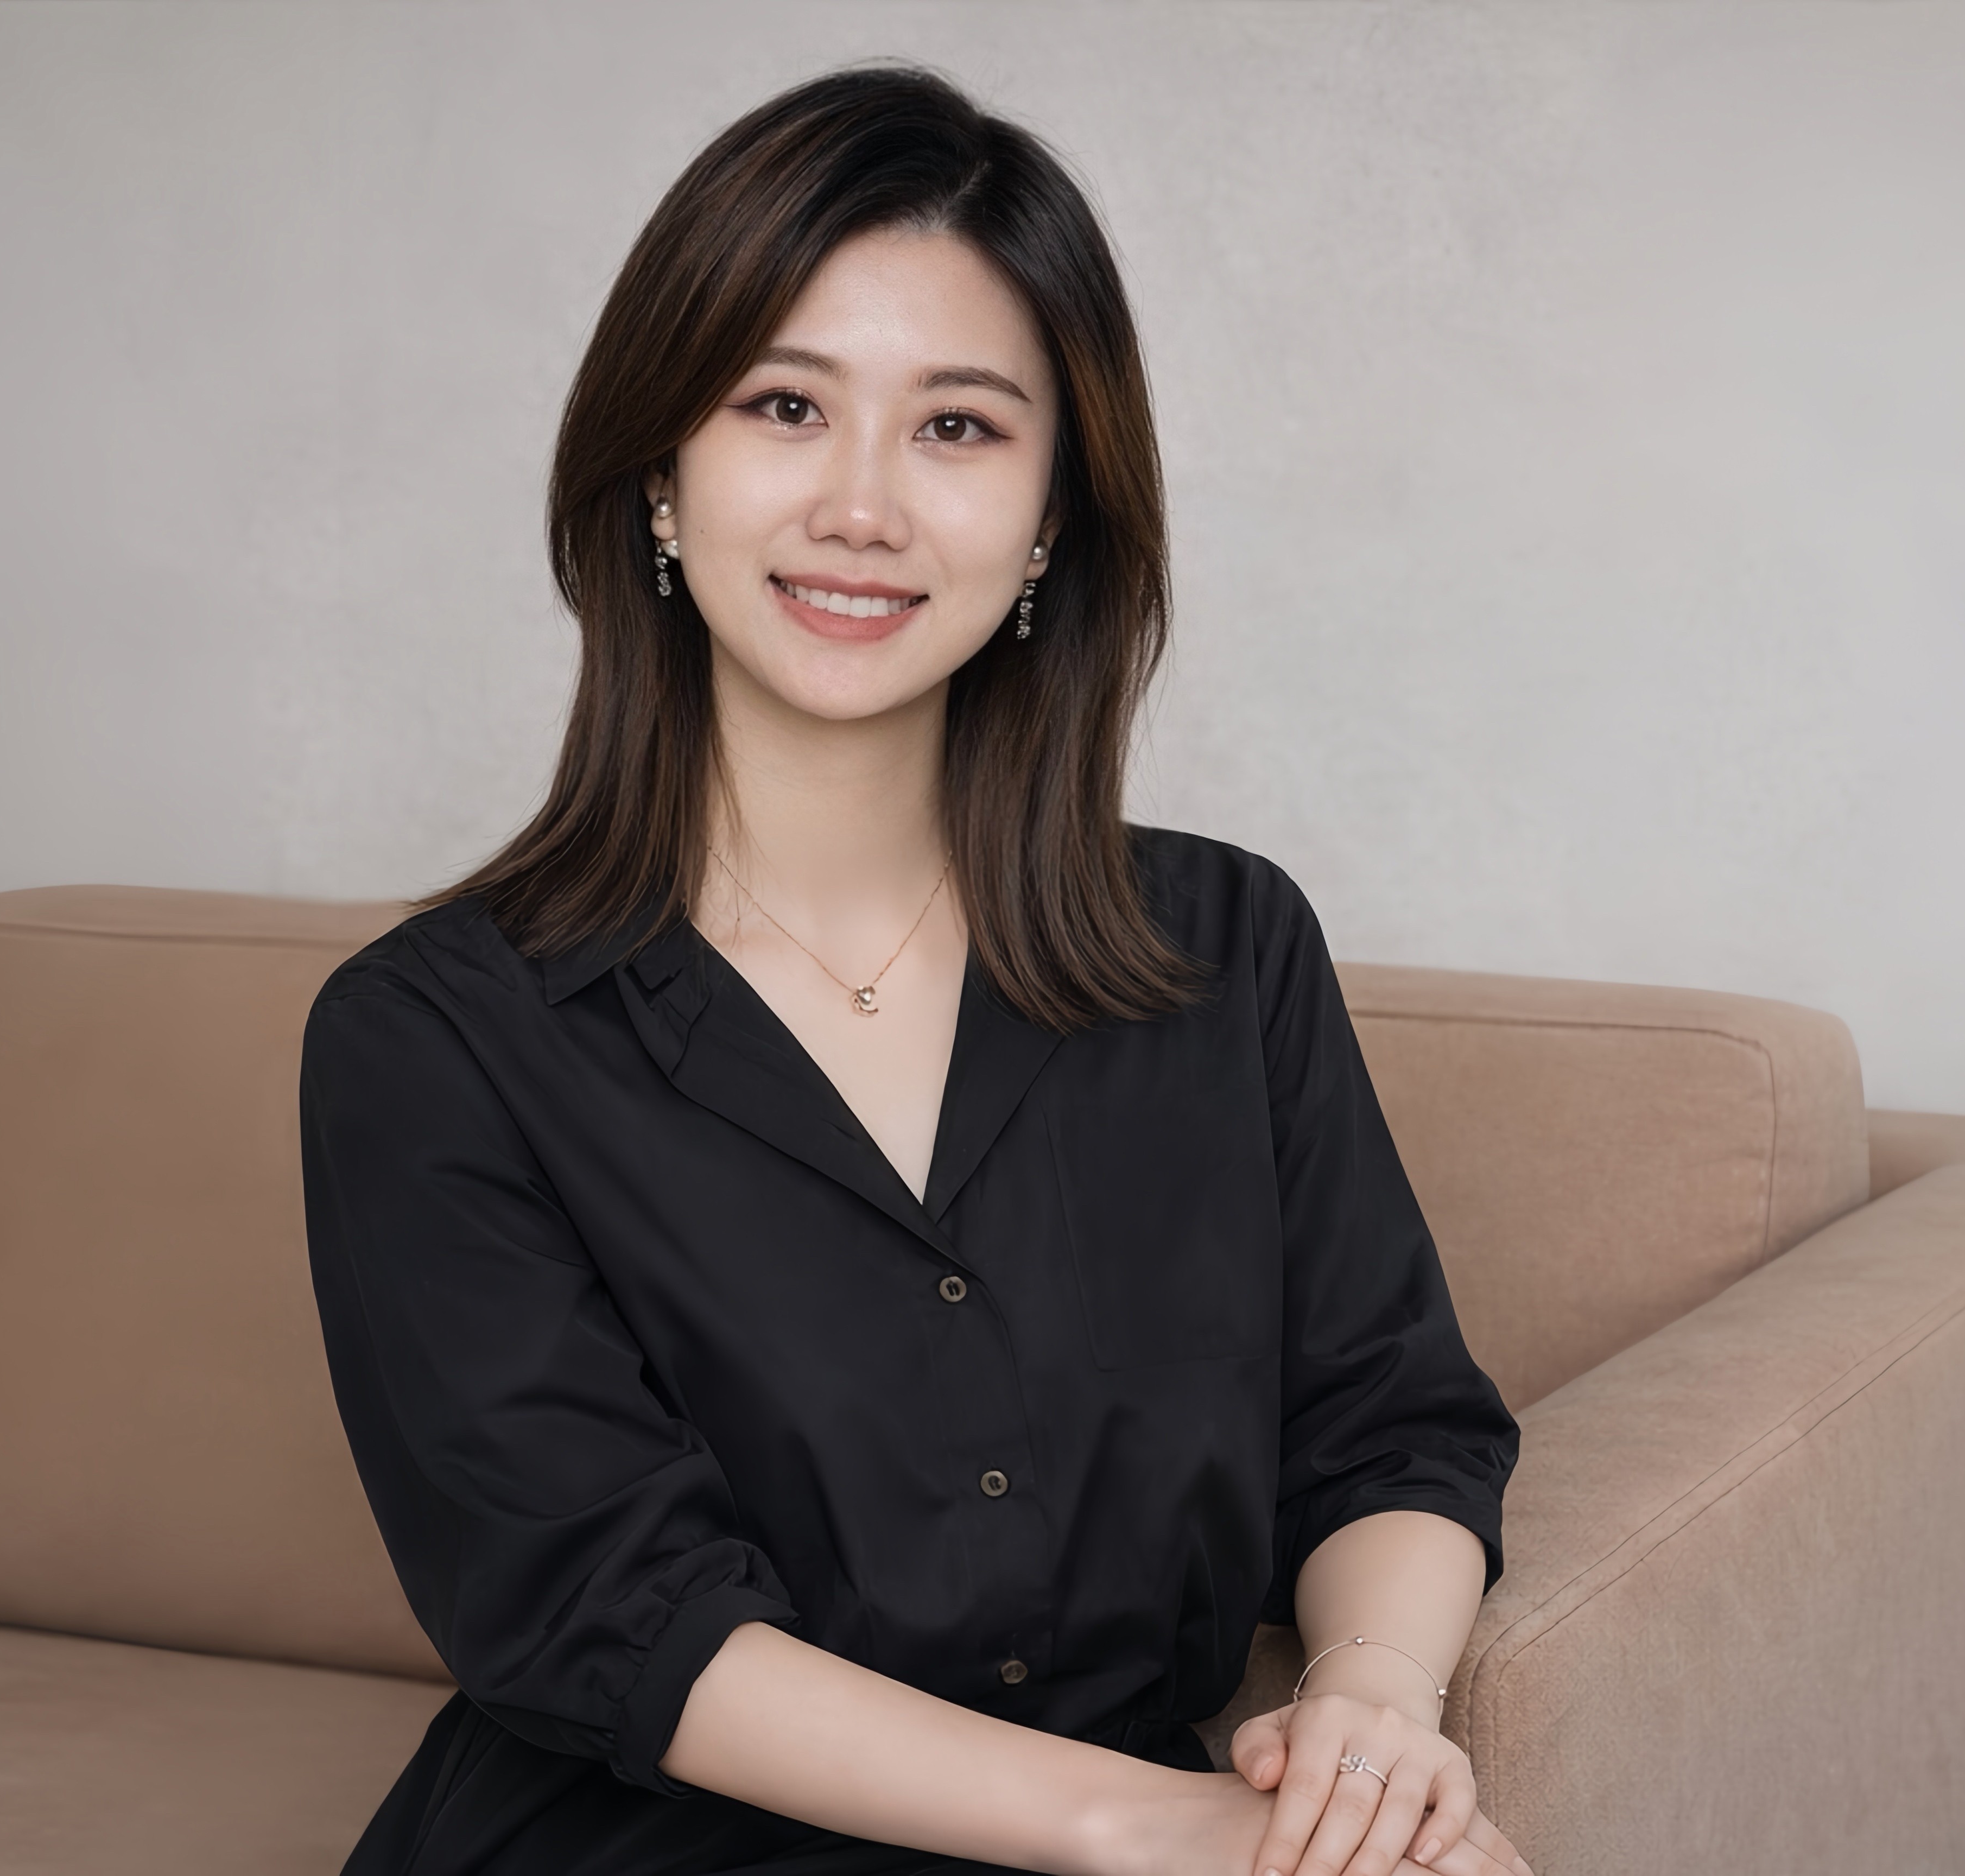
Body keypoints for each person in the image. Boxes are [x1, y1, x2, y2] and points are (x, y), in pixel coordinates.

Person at [299, 64, 1527, 1876]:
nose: (863, 506)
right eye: (784, 405)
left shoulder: (1227, 950)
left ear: (1052, 516)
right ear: (660, 469)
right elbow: (609, 1611)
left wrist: (1366, 1712)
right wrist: (1163, 1834)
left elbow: (1391, 1429)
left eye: (958, 428)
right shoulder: (434, 1040)